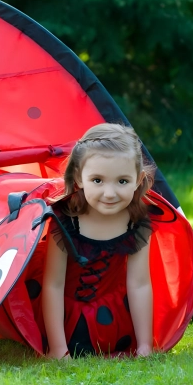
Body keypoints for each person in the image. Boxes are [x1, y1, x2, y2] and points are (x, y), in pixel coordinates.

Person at [42, 123, 155, 359]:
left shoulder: (137, 222)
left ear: (138, 180)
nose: (110, 193)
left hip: (109, 313)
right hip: (63, 314)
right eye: (97, 180)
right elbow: (53, 285)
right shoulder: (64, 220)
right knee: (76, 344)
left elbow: (139, 283)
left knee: (105, 343)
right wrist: (57, 349)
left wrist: (145, 347)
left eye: (122, 181)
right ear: (79, 178)